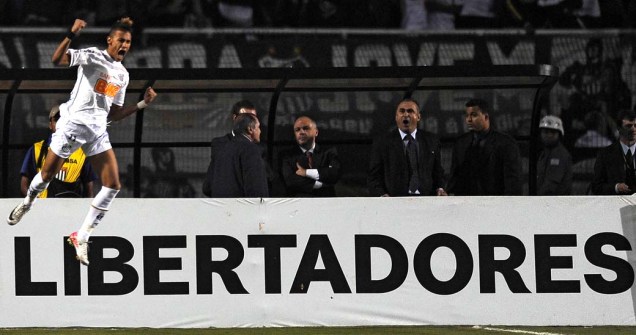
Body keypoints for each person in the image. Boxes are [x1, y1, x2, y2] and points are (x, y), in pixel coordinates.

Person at [6, 17, 158, 267]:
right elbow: (57, 60)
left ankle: (82, 235)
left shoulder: (123, 75)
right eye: (121, 40)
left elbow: (115, 114)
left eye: (129, 42)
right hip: (71, 127)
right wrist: (71, 34)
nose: (125, 45)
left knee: (113, 185)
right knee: (45, 177)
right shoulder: (92, 56)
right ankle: (27, 203)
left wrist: (142, 104)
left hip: (97, 132)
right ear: (110, 40)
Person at [368, 98, 447, 197]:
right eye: (402, 111)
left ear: (418, 117)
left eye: (410, 111)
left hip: (426, 202)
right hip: (394, 202)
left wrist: (440, 188)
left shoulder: (431, 141)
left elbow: (438, 172)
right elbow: (374, 177)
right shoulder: (382, 143)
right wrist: (382, 194)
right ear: (396, 117)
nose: (406, 114)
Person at [447, 98, 523, 196]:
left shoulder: (506, 143)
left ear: (486, 117)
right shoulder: (461, 143)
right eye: (467, 116)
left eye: (474, 115)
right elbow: (455, 177)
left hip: (495, 205)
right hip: (466, 205)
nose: (468, 120)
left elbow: (513, 183)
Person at [19, 105, 97, 198]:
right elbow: (24, 185)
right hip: (44, 209)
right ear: (50, 125)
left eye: (65, 120)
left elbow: (89, 189)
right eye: (57, 120)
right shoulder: (37, 149)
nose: (61, 123)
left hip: (72, 209)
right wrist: (35, 205)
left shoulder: (82, 152)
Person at [202, 99, 257, 197]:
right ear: (235, 118)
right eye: (246, 118)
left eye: (253, 118)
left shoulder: (258, 146)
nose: (250, 122)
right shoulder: (220, 144)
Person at [207, 113, 269, 198]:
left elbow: (207, 187)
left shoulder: (221, 150)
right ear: (250, 129)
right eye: (258, 127)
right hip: (243, 208)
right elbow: (256, 189)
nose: (260, 131)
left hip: (220, 208)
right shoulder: (251, 149)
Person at [279, 116, 341, 197]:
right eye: (297, 130)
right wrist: (322, 184)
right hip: (299, 204)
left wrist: (306, 172)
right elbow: (291, 181)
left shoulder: (329, 152)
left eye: (305, 128)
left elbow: (334, 174)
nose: (301, 132)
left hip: (326, 203)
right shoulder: (286, 156)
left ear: (316, 132)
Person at [590, 110, 636, 195]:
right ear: (619, 128)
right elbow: (596, 187)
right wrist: (616, 187)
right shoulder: (605, 154)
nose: (633, 129)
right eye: (629, 126)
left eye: (635, 125)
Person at [537, 115, 573, 195]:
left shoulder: (559, 154)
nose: (549, 135)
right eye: (546, 132)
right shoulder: (545, 152)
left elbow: (550, 186)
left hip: (555, 202)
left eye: (553, 132)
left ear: (559, 135)